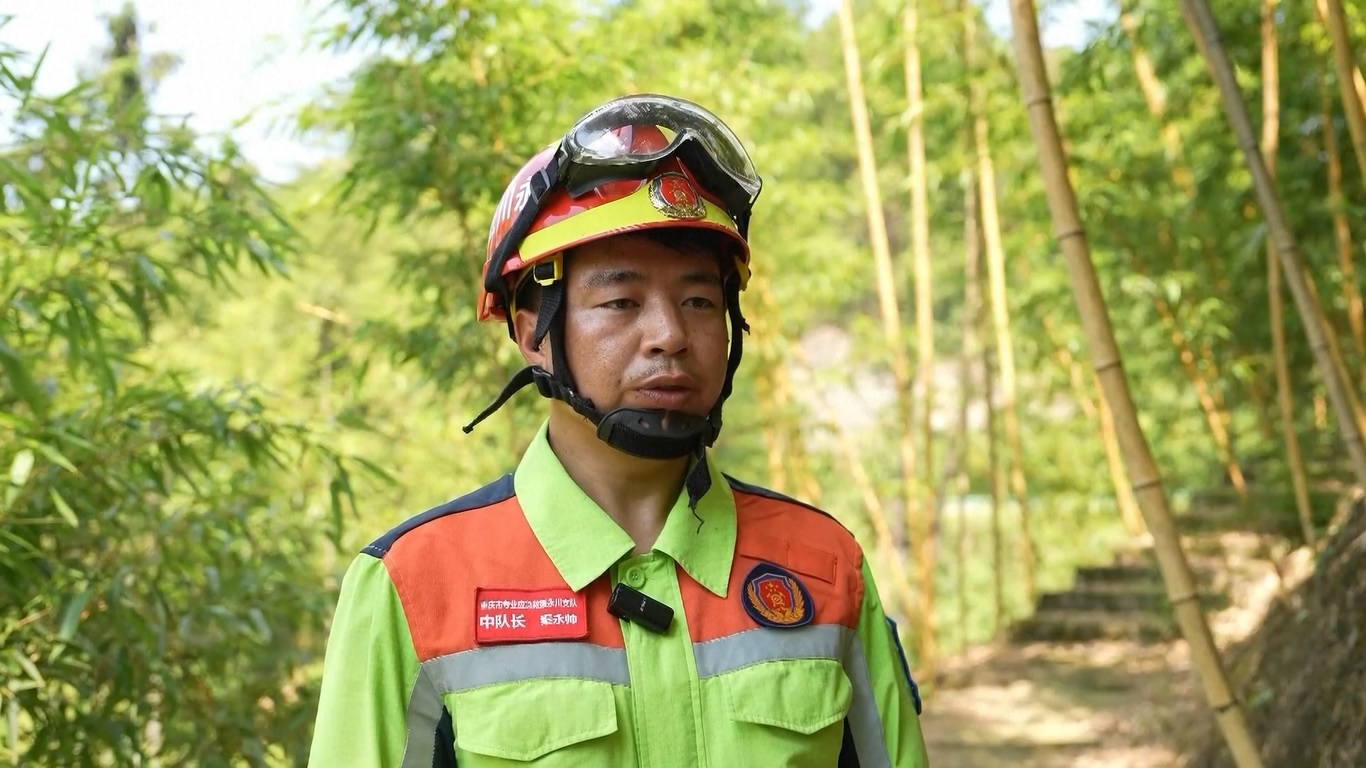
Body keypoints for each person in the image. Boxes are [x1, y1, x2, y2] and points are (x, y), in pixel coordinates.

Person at [307, 93, 930, 767]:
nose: (668, 335)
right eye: (620, 302)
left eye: (698, 300)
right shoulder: (414, 585)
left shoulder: (824, 566)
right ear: (532, 334)